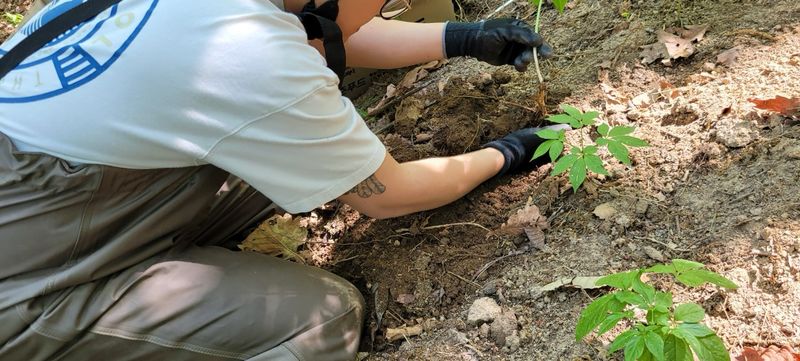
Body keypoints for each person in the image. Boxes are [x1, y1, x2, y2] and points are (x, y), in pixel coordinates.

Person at [0, 0, 557, 359]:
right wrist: (505, 154)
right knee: (321, 322)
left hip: (62, 198)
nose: (385, 8)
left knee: (282, 162)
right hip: (24, 290)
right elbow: (391, 196)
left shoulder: (216, 20)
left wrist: (462, 37)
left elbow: (313, 33)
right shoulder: (243, 53)